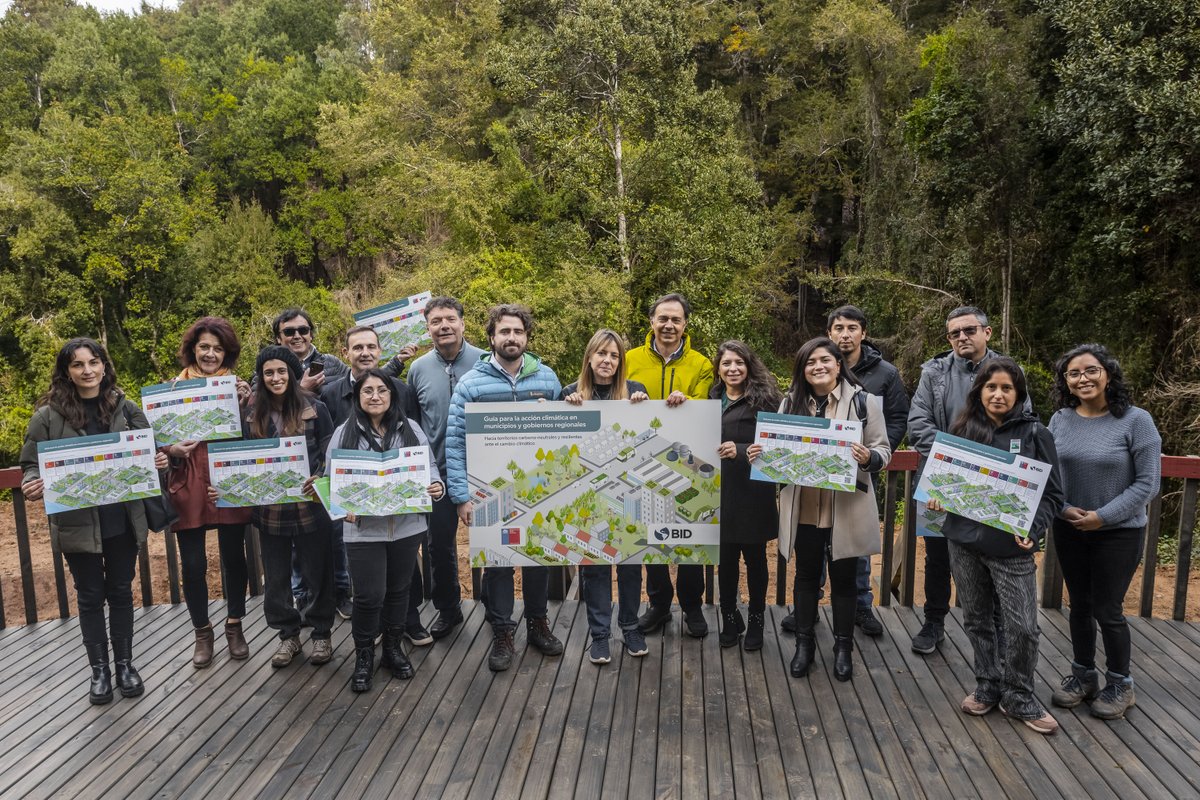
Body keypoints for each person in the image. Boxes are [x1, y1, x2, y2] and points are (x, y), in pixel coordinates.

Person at [925, 357, 1063, 734]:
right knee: (976, 619)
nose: (998, 394)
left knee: (1023, 628)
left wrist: (1033, 530)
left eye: (1006, 388)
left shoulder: (1037, 434)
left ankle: (1019, 695)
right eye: (991, 387)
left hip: (1011, 549)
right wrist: (939, 497)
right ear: (979, 391)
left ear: (1018, 393)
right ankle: (987, 683)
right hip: (963, 542)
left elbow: (1053, 496)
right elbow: (944, 483)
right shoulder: (963, 429)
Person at [20, 338, 161, 704]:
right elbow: (31, 462)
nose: (87, 370)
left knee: (119, 592)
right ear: (66, 371)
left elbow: (151, 448)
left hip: (121, 519)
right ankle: (99, 672)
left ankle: (126, 665)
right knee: (89, 596)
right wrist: (30, 483)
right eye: (78, 364)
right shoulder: (47, 416)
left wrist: (160, 460)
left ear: (103, 365)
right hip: (77, 521)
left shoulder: (124, 407)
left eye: (93, 362)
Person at [752, 338, 890, 682]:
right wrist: (761, 456)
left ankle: (843, 649)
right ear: (803, 369)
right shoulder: (789, 403)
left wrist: (868, 457)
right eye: (810, 362)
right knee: (806, 576)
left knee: (845, 580)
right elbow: (775, 451)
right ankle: (804, 646)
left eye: (825, 360)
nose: (818, 367)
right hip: (804, 506)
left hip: (845, 506)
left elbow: (883, 450)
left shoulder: (864, 402)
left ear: (838, 365)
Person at [445, 304, 565, 672]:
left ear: (527, 337)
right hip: (489, 492)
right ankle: (501, 631)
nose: (511, 338)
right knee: (497, 562)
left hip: (538, 490)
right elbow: (455, 441)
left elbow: (564, 433)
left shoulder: (546, 378)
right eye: (504, 332)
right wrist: (461, 496)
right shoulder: (471, 384)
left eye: (518, 331)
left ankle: (537, 624)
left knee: (538, 559)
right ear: (492, 337)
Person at [906, 306, 1028, 655]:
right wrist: (960, 461)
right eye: (955, 333)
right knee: (937, 556)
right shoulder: (933, 373)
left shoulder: (1008, 371)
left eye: (969, 330)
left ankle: (998, 629)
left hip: (994, 480)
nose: (962, 337)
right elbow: (918, 425)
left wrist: (983, 461)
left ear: (986, 333)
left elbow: (1024, 421)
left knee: (992, 553)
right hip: (940, 480)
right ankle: (934, 622)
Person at [1048, 344, 1160, 720]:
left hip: (1119, 532)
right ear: (1066, 382)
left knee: (1107, 608)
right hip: (1070, 528)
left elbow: (1148, 484)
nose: (1083, 378)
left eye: (1091, 370)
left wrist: (1103, 516)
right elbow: (1048, 472)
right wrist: (1063, 508)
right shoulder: (1060, 419)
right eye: (1074, 373)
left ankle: (1120, 683)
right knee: (1078, 605)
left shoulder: (1136, 420)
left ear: (1108, 373)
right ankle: (1083, 676)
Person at [216, 346, 336, 667]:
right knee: (277, 578)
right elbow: (239, 462)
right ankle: (288, 636)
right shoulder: (251, 415)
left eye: (281, 371)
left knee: (317, 574)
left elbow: (331, 455)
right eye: (268, 372)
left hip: (312, 508)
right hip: (270, 512)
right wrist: (229, 486)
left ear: (293, 373)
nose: (275, 377)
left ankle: (322, 634)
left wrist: (319, 476)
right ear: (261, 377)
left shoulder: (316, 408)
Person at [329, 369, 444, 691]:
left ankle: (393, 649)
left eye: (382, 390)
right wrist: (341, 507)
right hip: (364, 531)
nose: (375, 396)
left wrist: (436, 485)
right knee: (368, 596)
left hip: (406, 528)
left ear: (392, 396)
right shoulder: (343, 434)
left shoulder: (411, 429)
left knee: (398, 591)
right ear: (358, 397)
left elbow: (430, 467)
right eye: (368, 391)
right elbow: (331, 481)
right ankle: (364, 656)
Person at [316, 325, 421, 628]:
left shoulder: (400, 389)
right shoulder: (329, 393)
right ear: (345, 353)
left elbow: (413, 443)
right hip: (355, 509)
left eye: (371, 347)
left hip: (400, 511)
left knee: (403, 577)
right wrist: (333, 497)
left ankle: (407, 624)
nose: (365, 353)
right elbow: (327, 450)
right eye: (358, 347)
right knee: (366, 582)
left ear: (380, 350)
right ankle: (370, 632)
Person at [163, 316, 254, 668]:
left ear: (227, 353)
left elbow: (254, 438)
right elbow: (157, 441)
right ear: (192, 350)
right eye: (204, 347)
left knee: (234, 557)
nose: (211, 354)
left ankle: (234, 625)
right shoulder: (171, 391)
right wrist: (171, 450)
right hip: (188, 478)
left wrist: (247, 406)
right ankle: (202, 631)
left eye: (218, 348)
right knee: (194, 564)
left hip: (226, 478)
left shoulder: (237, 387)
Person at [626, 293, 715, 638]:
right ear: (651, 322)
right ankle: (659, 605)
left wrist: (687, 401)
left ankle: (692, 606)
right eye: (662, 318)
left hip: (690, 462)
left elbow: (707, 403)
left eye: (676, 319)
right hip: (641, 461)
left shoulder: (701, 363)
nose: (668, 325)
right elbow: (612, 392)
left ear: (685, 324)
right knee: (652, 538)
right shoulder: (630, 358)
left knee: (691, 536)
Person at [560, 329, 652, 664]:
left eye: (614, 356)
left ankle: (629, 626)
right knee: (595, 568)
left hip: (629, 494)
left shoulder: (635, 392)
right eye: (601, 354)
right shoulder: (571, 393)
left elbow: (650, 435)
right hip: (588, 497)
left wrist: (645, 407)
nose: (607, 361)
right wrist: (563, 408)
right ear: (589, 357)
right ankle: (599, 635)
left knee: (630, 565)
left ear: (621, 362)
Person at [406, 297, 486, 640]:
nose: (444, 326)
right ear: (428, 328)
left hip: (486, 469)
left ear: (463, 323)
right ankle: (448, 609)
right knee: (438, 545)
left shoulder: (486, 360)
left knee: (493, 540)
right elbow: (410, 422)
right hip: (436, 473)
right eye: (436, 321)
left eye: (450, 319)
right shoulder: (418, 369)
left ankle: (496, 611)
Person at [712, 341, 782, 651]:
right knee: (725, 562)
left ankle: (756, 619)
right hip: (718, 492)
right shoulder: (712, 399)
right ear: (719, 368)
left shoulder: (766, 400)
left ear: (748, 365)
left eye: (739, 363)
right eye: (726, 363)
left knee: (755, 560)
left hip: (754, 492)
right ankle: (729, 616)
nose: (733, 369)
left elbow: (779, 443)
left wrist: (740, 451)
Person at [272, 307, 348, 393]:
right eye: (289, 331)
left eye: (303, 330)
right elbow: (260, 404)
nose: (297, 336)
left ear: (310, 335)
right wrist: (303, 390)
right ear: (278, 338)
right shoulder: (268, 369)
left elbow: (358, 384)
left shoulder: (332, 363)